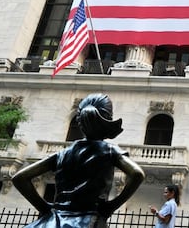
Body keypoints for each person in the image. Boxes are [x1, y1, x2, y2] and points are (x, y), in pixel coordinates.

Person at [12, 93, 146, 228]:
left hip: (54, 219)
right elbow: (137, 174)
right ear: (106, 124)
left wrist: (44, 207)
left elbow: (20, 177)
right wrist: (112, 206)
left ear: (80, 122)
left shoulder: (62, 153)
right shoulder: (110, 150)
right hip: (88, 220)